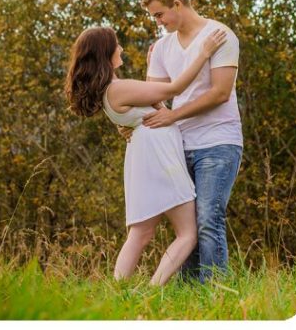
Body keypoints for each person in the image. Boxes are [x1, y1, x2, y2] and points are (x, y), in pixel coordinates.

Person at [65, 26, 227, 285]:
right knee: (187, 233)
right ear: (105, 52)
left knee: (141, 232)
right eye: (116, 45)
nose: (121, 48)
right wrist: (204, 52)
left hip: (144, 156)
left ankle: (118, 292)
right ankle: (154, 289)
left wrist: (152, 66)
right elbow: (173, 89)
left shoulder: (114, 88)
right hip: (159, 156)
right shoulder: (118, 89)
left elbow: (150, 100)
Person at [125, 0, 244, 283]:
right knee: (188, 227)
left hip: (218, 142)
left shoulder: (220, 36)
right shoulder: (163, 47)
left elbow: (220, 93)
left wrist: (174, 116)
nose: (158, 22)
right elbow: (154, 99)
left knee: (208, 219)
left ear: (177, 4)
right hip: (178, 146)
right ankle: (190, 294)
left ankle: (216, 292)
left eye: (160, 14)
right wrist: (131, 126)